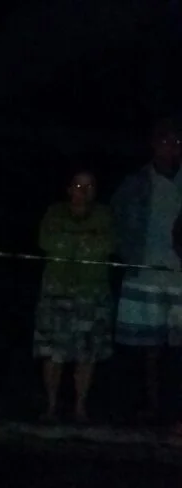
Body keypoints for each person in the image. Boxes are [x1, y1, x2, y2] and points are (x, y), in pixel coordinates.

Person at [111, 119, 182, 427]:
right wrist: (127, 254)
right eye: (165, 142)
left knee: (179, 346)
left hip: (180, 275)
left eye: (177, 143)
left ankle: (176, 410)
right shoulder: (136, 182)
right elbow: (116, 218)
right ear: (154, 145)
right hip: (145, 271)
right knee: (148, 348)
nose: (171, 148)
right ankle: (151, 406)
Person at [33, 171, 116, 423]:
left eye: (89, 186)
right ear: (69, 188)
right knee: (52, 354)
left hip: (91, 295)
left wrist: (70, 239)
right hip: (55, 294)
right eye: (78, 185)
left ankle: (80, 408)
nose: (83, 190)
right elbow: (47, 241)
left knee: (86, 355)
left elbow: (108, 245)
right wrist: (85, 239)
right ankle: (51, 406)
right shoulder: (54, 212)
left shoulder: (104, 215)